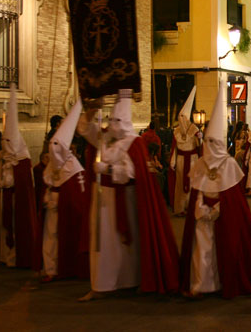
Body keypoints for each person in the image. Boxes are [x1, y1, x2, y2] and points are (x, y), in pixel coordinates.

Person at [77, 89, 179, 301]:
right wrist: (93, 108)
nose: (111, 124)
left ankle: (133, 281)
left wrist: (108, 170)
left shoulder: (134, 142)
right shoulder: (106, 138)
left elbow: (132, 172)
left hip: (127, 200)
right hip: (103, 199)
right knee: (103, 243)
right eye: (110, 120)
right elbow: (85, 129)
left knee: (128, 245)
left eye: (116, 120)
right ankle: (101, 285)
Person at [179, 80, 251, 299]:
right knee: (201, 251)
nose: (210, 146)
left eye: (214, 142)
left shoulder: (229, 164)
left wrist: (219, 209)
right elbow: (197, 191)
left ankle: (222, 283)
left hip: (223, 215)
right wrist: (201, 209)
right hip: (203, 216)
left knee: (224, 250)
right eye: (207, 142)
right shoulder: (200, 164)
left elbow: (234, 199)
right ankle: (200, 286)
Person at [0, 84, 40, 270]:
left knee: (14, 227)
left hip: (14, 200)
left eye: (9, 141)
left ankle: (14, 256)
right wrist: (1, 169)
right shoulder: (1, 158)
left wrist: (9, 175)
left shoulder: (23, 160)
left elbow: (23, 184)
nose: (6, 145)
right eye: (4, 141)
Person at [40, 99, 89, 282]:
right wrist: (47, 198)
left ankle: (67, 267)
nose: (53, 151)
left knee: (65, 237)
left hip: (66, 210)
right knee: (50, 237)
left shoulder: (74, 169)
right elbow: (48, 182)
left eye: (56, 147)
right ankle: (51, 268)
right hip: (52, 207)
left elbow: (77, 195)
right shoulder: (52, 163)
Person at [168, 87, 201, 216]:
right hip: (181, 160)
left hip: (192, 159)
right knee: (180, 185)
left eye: (183, 117)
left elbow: (199, 146)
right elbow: (175, 148)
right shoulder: (176, 131)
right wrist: (173, 161)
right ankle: (180, 208)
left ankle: (191, 207)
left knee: (193, 183)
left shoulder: (194, 129)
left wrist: (200, 138)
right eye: (180, 117)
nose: (181, 119)